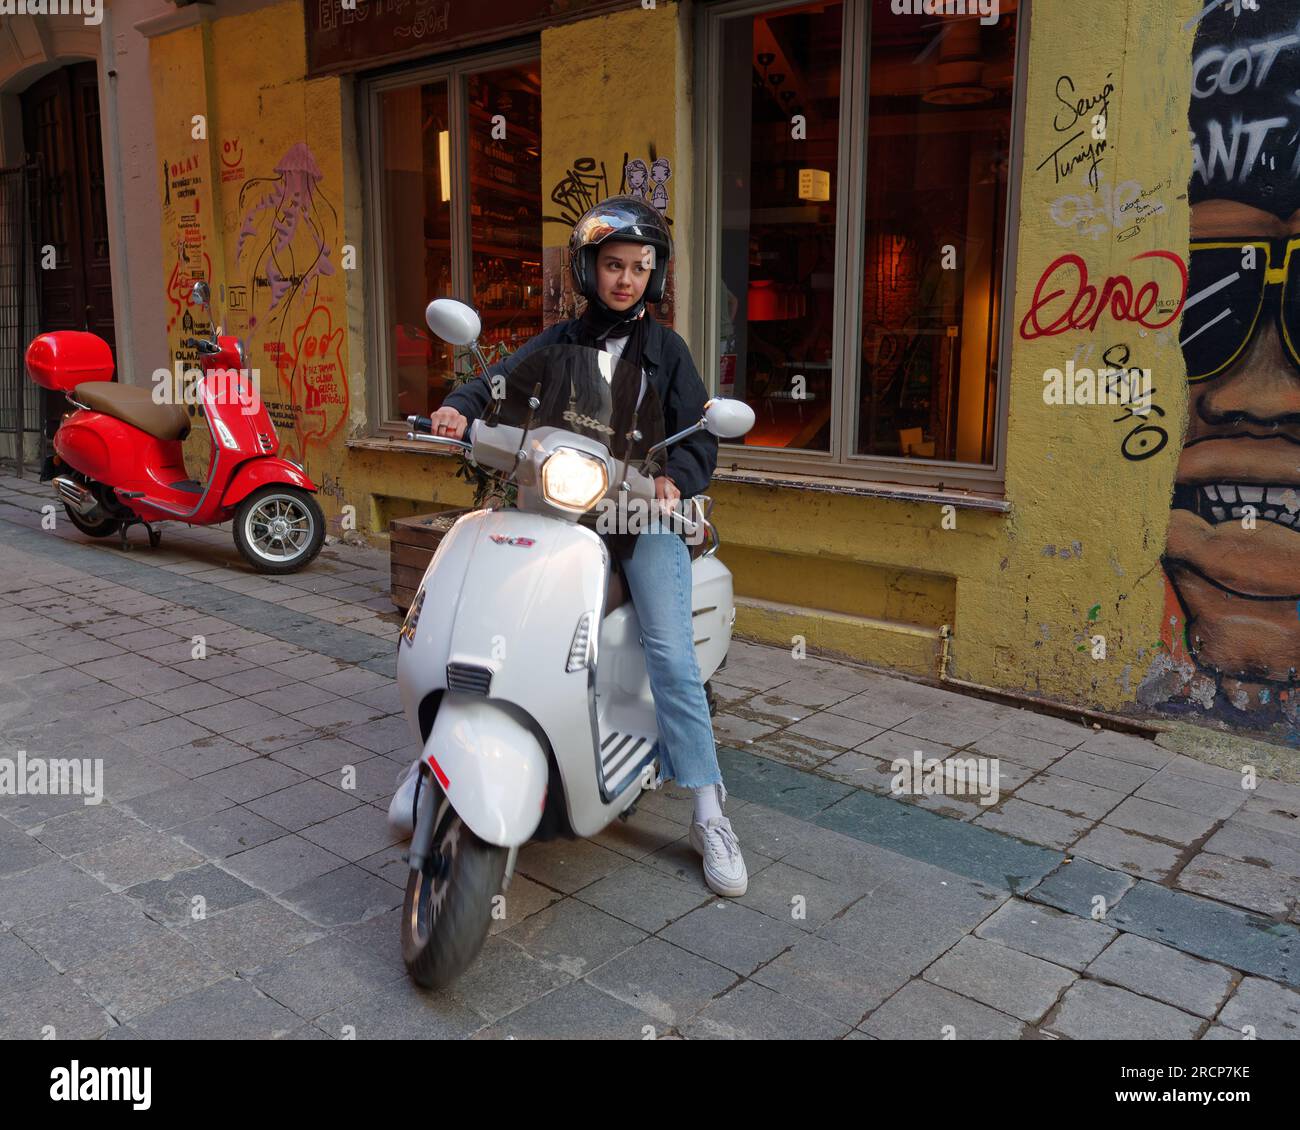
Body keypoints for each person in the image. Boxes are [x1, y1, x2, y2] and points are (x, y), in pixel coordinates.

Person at [389, 195, 748, 897]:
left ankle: (708, 808)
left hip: (638, 520)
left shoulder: (668, 352)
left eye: (640, 267)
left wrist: (676, 477)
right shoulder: (557, 342)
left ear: (655, 275)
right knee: (486, 612)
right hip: (558, 510)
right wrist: (458, 408)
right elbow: (497, 384)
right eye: (613, 265)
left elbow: (700, 433)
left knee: (671, 652)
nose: (626, 279)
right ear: (590, 270)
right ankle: (438, 753)